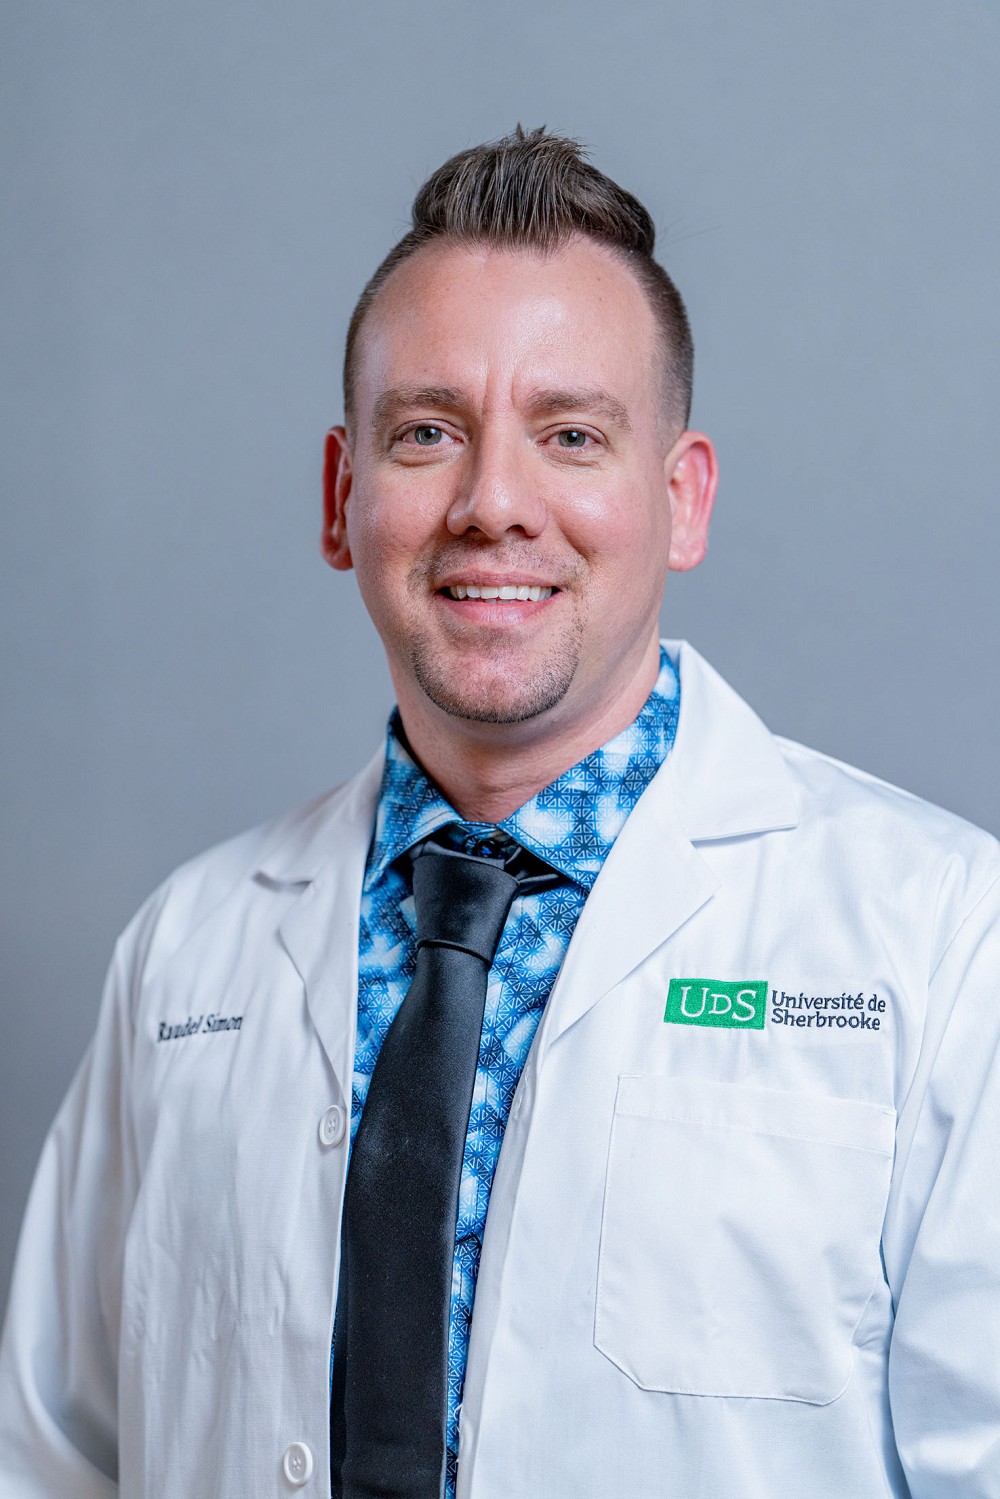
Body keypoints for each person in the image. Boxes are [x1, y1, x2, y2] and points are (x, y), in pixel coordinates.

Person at [1, 126, 999, 1499]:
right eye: (428, 434)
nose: (493, 505)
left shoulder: (944, 939)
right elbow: (53, 1458)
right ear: (344, 499)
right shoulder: (189, 950)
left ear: (681, 498)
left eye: (571, 435)